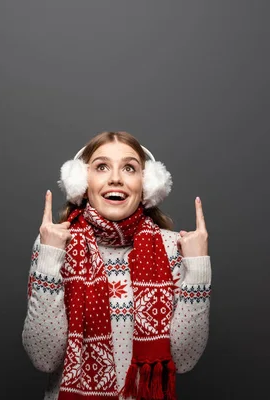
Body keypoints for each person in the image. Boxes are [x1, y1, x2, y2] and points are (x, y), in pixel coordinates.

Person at [22, 131, 211, 400]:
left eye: (129, 168)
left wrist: (198, 266)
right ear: (81, 182)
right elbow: (44, 358)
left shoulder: (175, 250)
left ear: (147, 183)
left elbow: (184, 360)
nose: (115, 178)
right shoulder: (53, 245)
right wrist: (50, 258)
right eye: (101, 167)